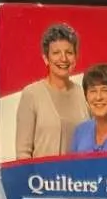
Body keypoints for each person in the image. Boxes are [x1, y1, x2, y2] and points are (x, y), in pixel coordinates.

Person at [14, 23, 89, 158]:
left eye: (69, 52)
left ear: (75, 57)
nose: (63, 58)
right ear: (46, 58)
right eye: (56, 53)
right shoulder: (32, 94)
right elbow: (23, 153)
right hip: (42, 172)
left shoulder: (83, 94)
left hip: (79, 171)